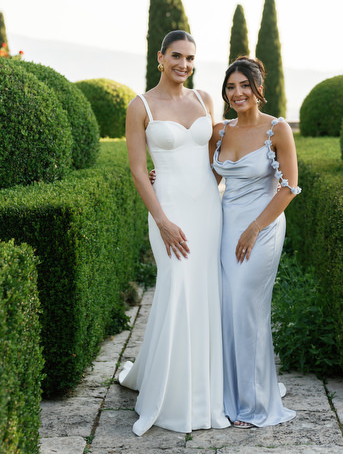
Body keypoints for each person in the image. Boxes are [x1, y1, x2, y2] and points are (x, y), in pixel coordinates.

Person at [119, 30, 230, 435]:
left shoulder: (204, 100)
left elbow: (215, 156)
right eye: (177, 56)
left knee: (204, 290)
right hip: (168, 209)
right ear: (160, 58)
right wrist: (162, 219)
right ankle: (171, 396)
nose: (184, 64)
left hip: (206, 207)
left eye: (191, 58)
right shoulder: (140, 105)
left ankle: (205, 388)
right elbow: (136, 168)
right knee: (177, 286)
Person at [211, 56, 300, 428]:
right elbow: (203, 180)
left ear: (258, 88)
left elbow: (289, 188)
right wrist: (159, 177)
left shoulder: (277, 129)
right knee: (227, 307)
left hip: (262, 227)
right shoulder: (219, 132)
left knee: (247, 306)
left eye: (244, 85)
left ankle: (254, 404)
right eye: (231, 87)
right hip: (225, 225)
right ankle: (228, 393)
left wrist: (254, 228)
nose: (237, 93)